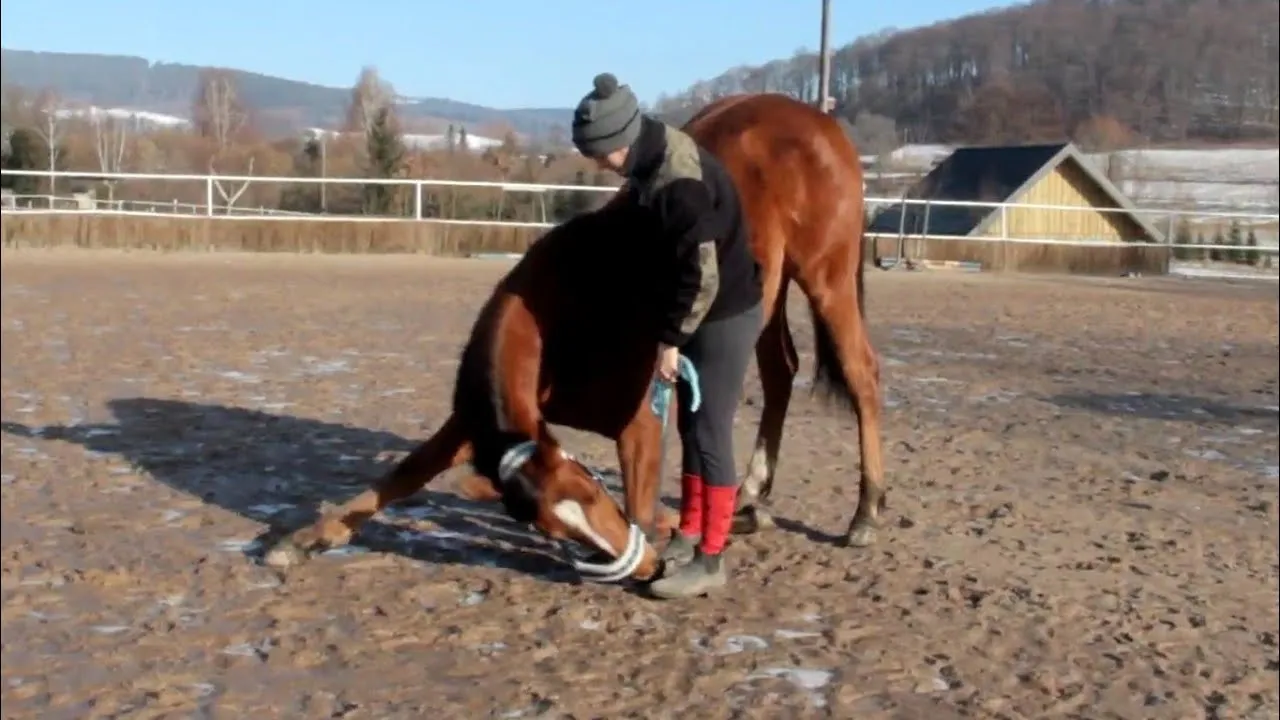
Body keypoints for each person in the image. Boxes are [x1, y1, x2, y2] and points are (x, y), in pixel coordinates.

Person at [570, 73, 764, 599]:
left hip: (723, 314)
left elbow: (702, 274)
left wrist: (671, 340)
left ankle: (712, 557)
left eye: (600, 154)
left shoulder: (679, 182)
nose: (598, 165)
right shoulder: (650, 161)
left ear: (622, 142)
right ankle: (693, 531)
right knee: (691, 428)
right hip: (697, 311)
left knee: (711, 432)